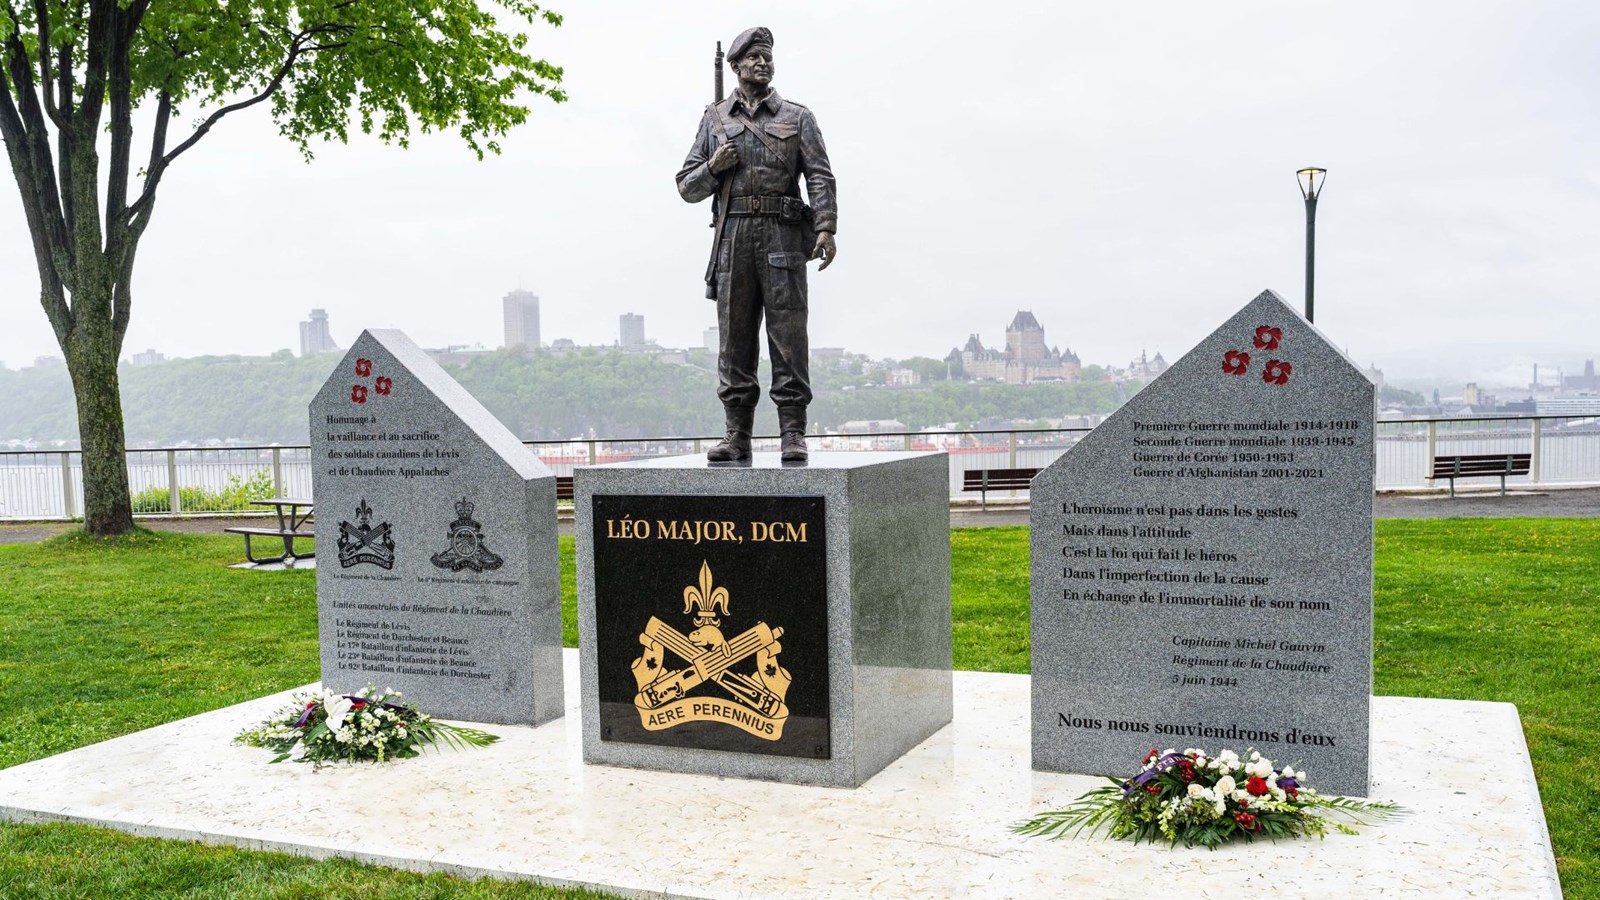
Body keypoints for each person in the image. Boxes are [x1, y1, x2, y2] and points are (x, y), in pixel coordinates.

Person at [676, 26, 837, 463]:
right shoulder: (714, 120)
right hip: (734, 239)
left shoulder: (797, 117)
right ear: (736, 66)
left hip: (782, 236)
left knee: (788, 336)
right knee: (734, 338)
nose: (763, 63)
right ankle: (736, 434)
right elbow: (687, 186)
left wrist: (825, 226)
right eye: (754, 58)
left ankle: (793, 433)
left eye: (767, 57)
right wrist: (714, 165)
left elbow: (819, 174)